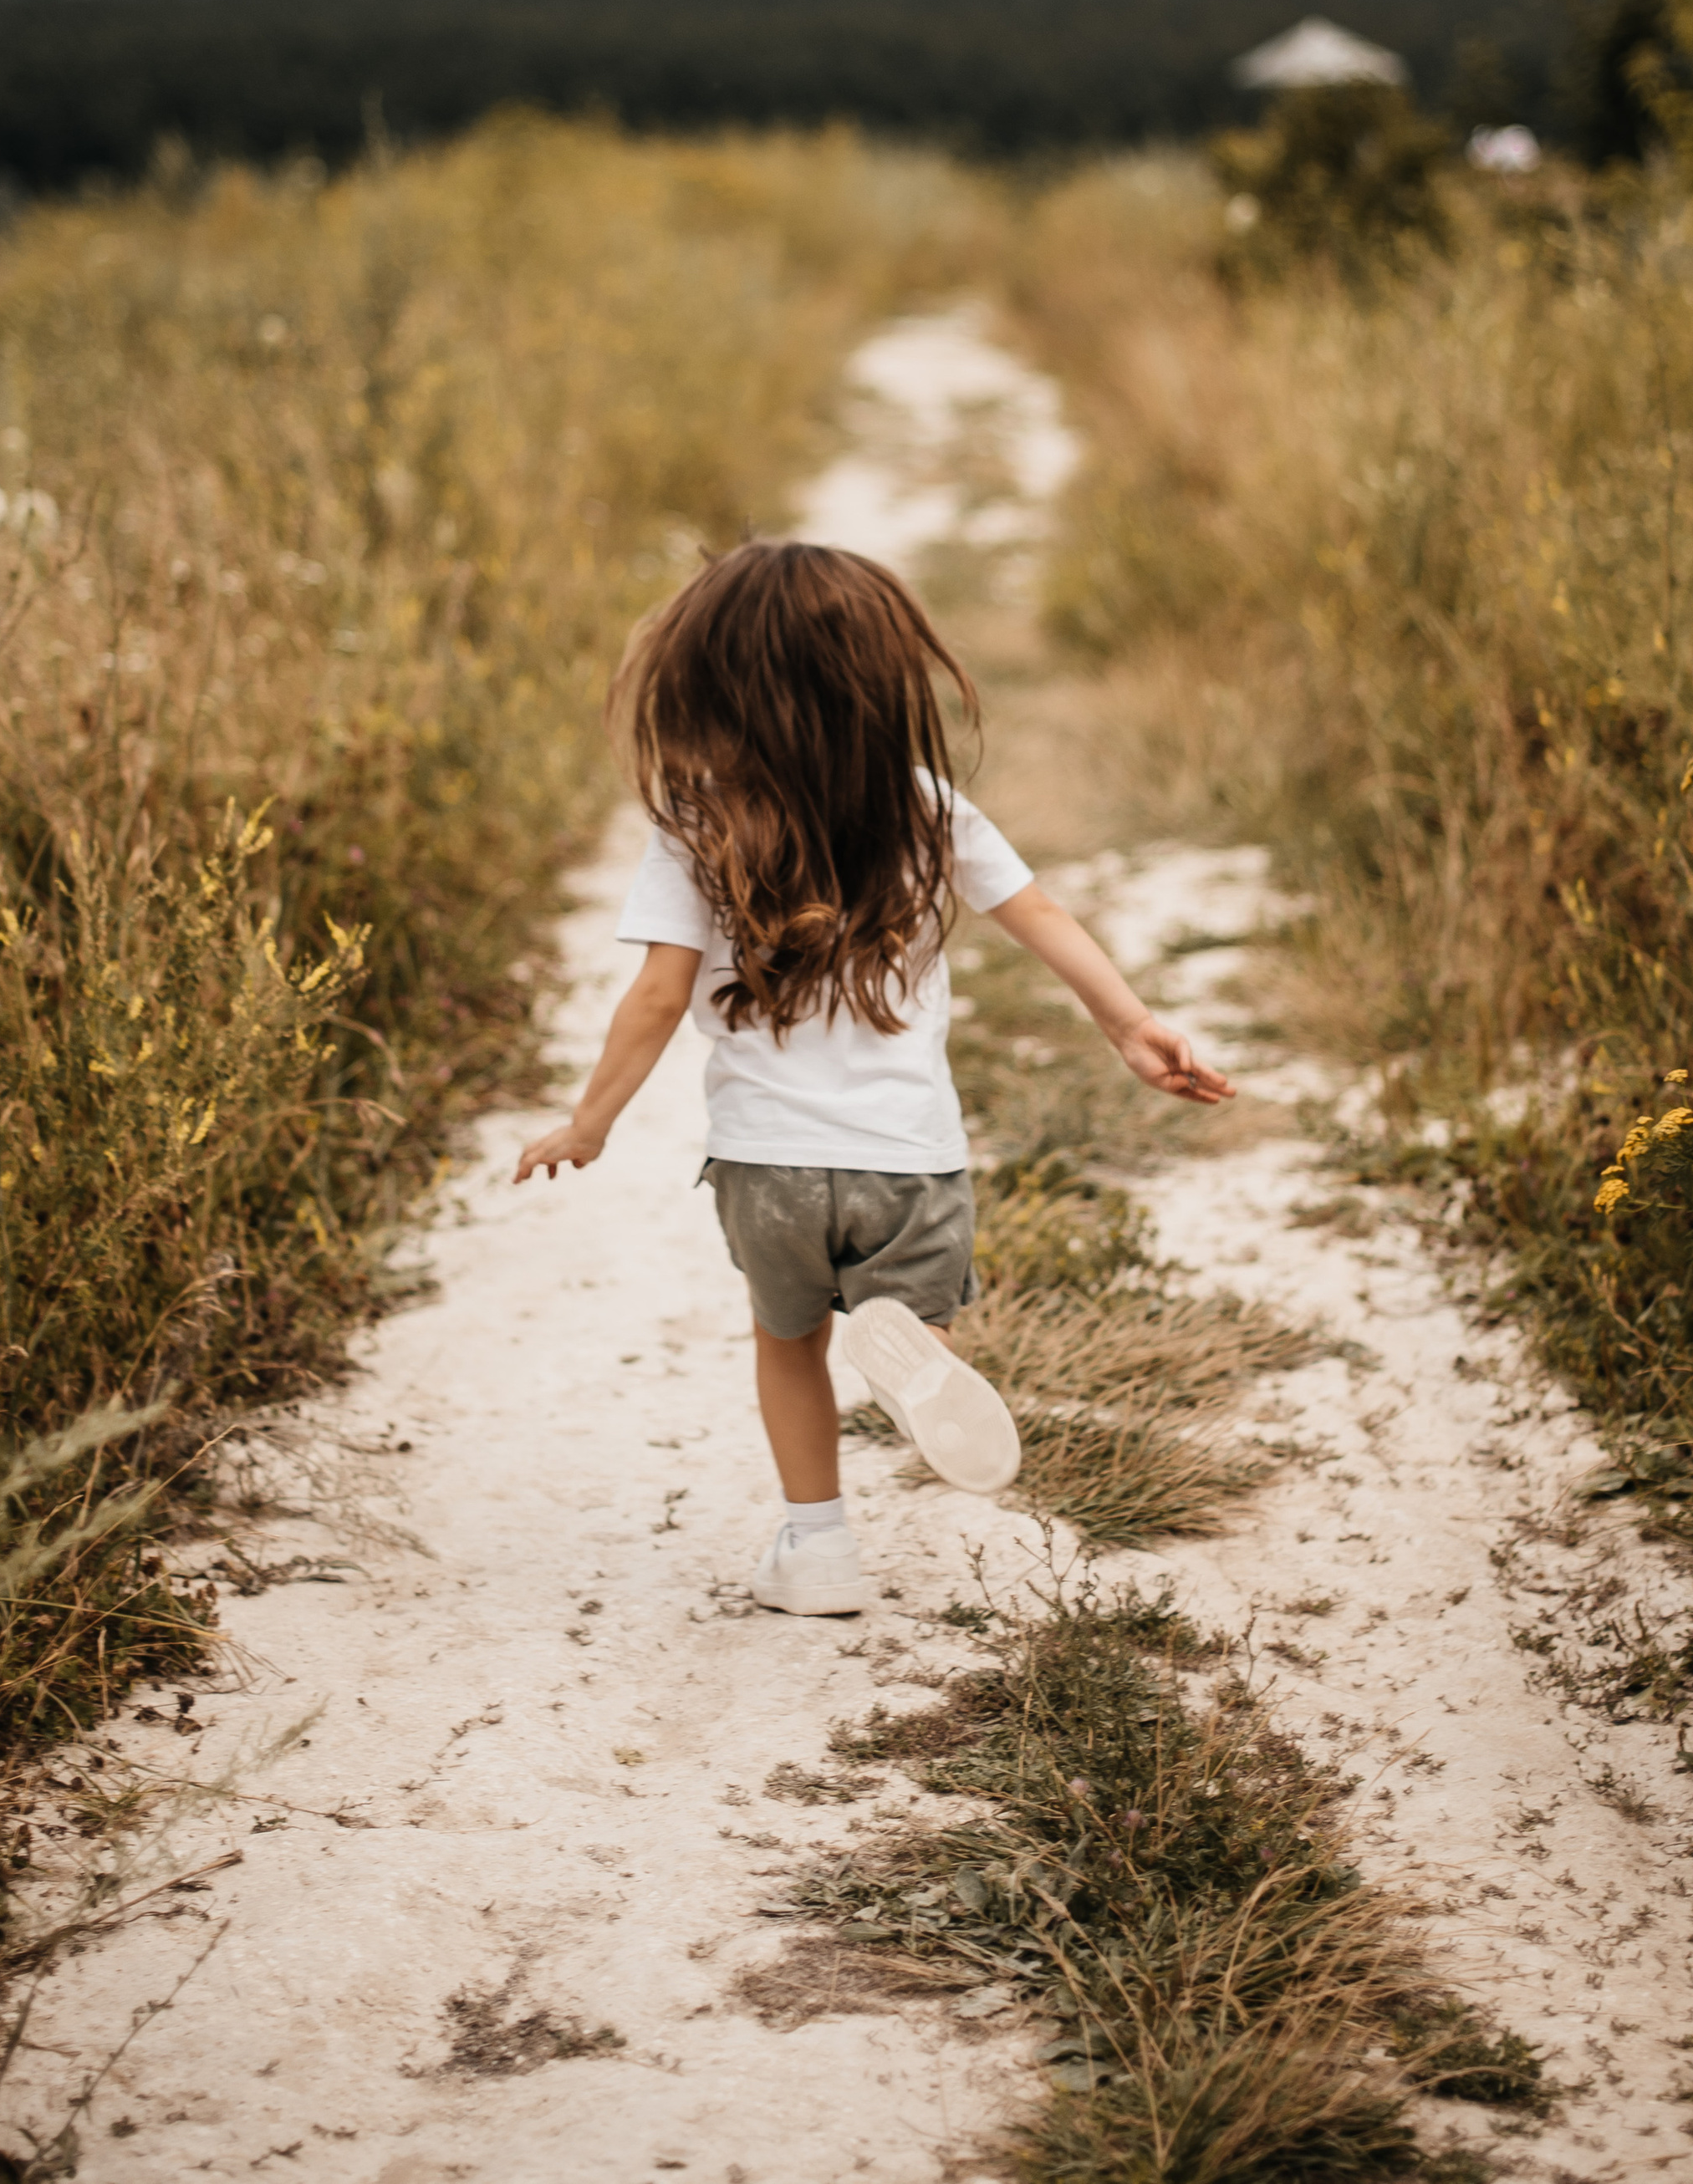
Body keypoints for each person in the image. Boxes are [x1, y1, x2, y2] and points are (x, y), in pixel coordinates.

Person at [514, 539, 1233, 1616]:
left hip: (768, 1169)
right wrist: (1129, 1022)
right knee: (907, 1310)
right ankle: (915, 1350)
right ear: (876, 683)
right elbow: (1036, 915)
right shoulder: (925, 806)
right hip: (909, 1160)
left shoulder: (698, 829)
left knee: (788, 1340)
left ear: (708, 686)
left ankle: (818, 1550)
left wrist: (589, 1123)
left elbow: (658, 1000)